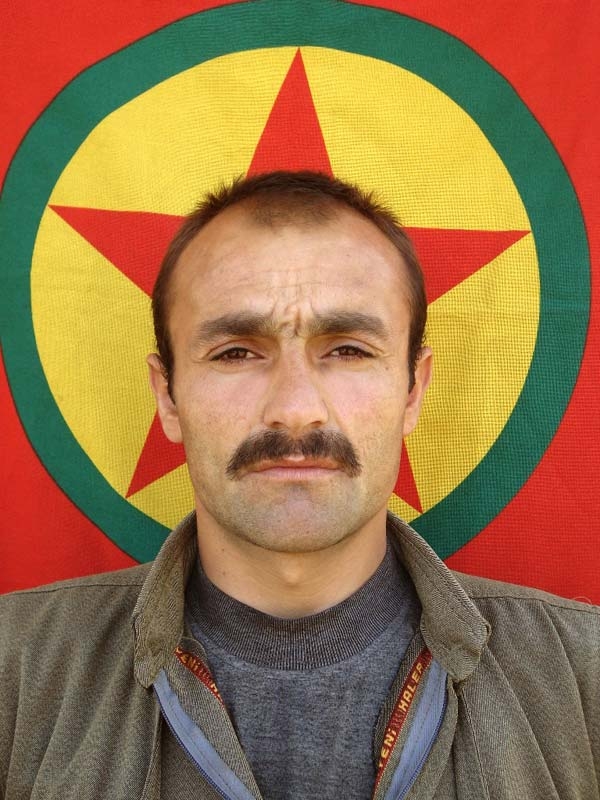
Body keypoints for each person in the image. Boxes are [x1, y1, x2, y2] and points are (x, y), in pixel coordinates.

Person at [0, 171, 598, 800]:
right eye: (236, 353)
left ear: (412, 391)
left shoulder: (582, 675)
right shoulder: (17, 668)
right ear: (168, 397)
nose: (294, 409)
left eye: (348, 350)